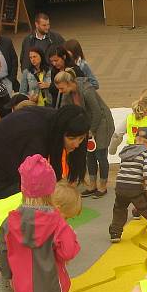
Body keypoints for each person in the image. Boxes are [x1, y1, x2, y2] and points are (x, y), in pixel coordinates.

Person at [0, 154, 81, 292]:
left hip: (23, 285)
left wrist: (8, 276)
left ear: (23, 188)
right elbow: (68, 252)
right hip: (53, 284)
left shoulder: (10, 220)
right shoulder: (56, 221)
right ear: (49, 190)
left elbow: (4, 253)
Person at [0, 105, 91, 203]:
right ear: (61, 133)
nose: (76, 145)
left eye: (81, 139)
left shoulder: (54, 120)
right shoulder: (37, 136)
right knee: (28, 209)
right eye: (72, 139)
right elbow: (30, 182)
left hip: (0, 166)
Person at [53, 69, 114, 197]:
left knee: (101, 155)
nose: (60, 91)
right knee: (89, 155)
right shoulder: (67, 94)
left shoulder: (86, 90)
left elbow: (97, 112)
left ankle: (103, 186)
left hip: (102, 122)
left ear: (69, 83)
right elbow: (64, 110)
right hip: (87, 125)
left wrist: (91, 130)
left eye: (61, 88)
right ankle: (92, 185)